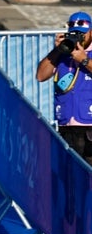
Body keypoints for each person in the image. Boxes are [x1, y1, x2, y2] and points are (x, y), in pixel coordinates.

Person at [36, 11, 92, 165]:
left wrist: (84, 60)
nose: (79, 38)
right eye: (74, 34)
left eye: (83, 34)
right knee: (68, 178)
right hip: (66, 126)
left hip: (89, 126)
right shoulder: (62, 55)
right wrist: (57, 51)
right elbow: (40, 76)